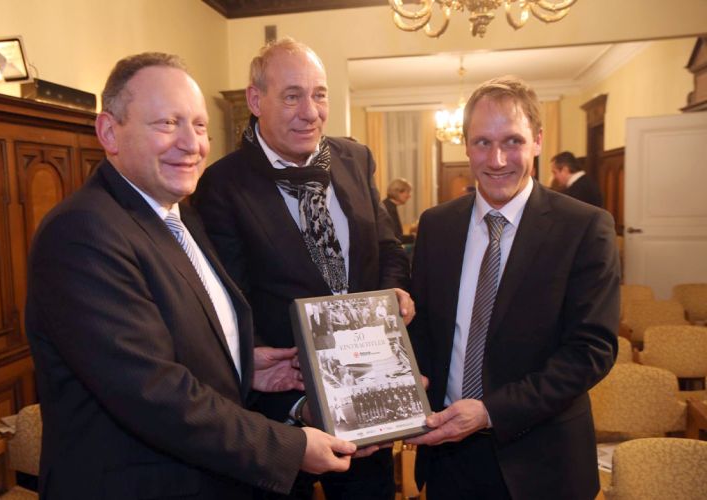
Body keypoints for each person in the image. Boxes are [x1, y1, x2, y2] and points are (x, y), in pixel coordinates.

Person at [25, 52, 358, 500]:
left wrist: (242, 365)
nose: (191, 144)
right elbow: (153, 392)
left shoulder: (180, 216)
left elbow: (180, 335)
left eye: (199, 126)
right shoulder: (83, 232)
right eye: (167, 124)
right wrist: (290, 447)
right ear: (109, 132)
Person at [193, 37, 413, 499]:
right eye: (292, 96)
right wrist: (297, 405)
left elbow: (388, 249)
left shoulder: (354, 158)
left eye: (319, 94)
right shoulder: (221, 184)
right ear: (256, 101)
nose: (310, 112)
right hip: (284, 413)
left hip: (368, 394)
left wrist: (393, 293)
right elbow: (230, 306)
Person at [407, 76, 619, 500]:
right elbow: (424, 329)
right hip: (448, 454)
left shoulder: (585, 227)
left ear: (537, 140)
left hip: (543, 461)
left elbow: (590, 351)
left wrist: (490, 412)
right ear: (466, 146)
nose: (497, 159)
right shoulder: (436, 225)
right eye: (482, 142)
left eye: (513, 141)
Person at [383, 178, 415, 244]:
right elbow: (396, 237)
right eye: (407, 192)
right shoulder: (388, 209)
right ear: (398, 192)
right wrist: (414, 237)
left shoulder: (388, 205)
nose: (409, 196)